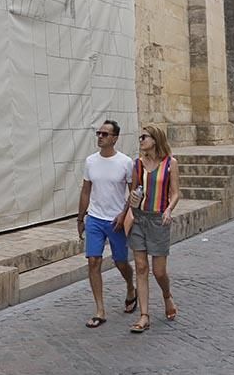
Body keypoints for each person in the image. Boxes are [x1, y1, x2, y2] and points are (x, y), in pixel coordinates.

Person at [77, 120, 137, 327]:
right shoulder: (90, 161)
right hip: (94, 218)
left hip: (115, 220)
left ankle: (130, 286)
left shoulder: (125, 162)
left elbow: (134, 192)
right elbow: (86, 190)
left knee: (121, 262)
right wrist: (80, 218)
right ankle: (100, 310)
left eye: (104, 134)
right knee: (93, 261)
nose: (100, 137)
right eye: (98, 133)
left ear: (115, 138)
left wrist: (124, 213)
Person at [125, 125, 180, 333]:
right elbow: (134, 191)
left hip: (159, 220)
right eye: (140, 137)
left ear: (155, 140)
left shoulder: (170, 164)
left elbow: (175, 192)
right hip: (139, 219)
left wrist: (168, 209)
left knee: (158, 271)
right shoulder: (137, 165)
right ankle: (144, 315)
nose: (140, 141)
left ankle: (167, 296)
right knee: (140, 267)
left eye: (144, 137)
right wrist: (132, 198)